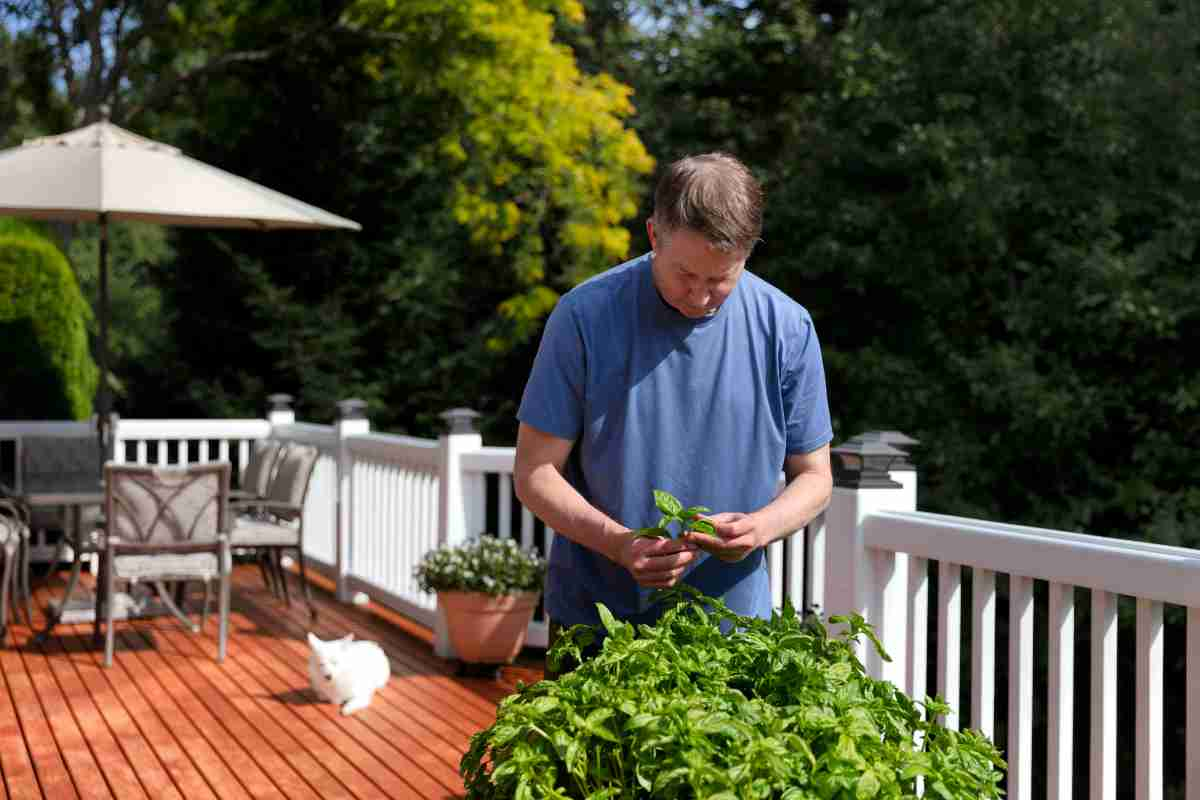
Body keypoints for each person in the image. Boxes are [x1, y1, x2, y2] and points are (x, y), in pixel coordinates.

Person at [513, 152, 833, 675]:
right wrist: (619, 545)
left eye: (722, 279)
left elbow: (815, 477)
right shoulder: (583, 316)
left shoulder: (788, 329)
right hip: (596, 623)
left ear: (748, 254)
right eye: (686, 274)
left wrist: (760, 526)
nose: (702, 296)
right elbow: (534, 473)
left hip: (732, 628)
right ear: (654, 235)